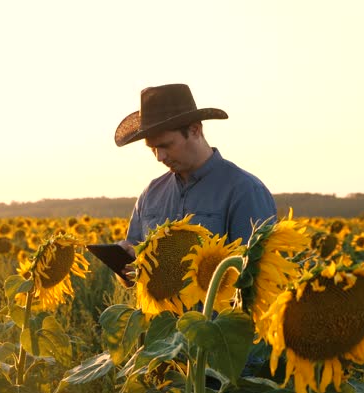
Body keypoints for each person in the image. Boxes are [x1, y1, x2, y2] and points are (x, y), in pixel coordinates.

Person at [114, 83, 277, 285]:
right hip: (158, 316)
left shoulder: (244, 191)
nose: (159, 157)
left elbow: (257, 278)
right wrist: (126, 265)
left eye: (165, 145)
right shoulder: (151, 194)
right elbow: (132, 278)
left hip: (216, 316)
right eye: (152, 148)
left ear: (195, 130)